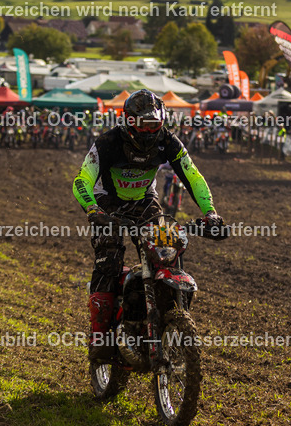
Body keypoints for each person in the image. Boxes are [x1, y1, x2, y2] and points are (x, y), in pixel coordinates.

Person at [73, 90, 223, 362]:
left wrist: (210, 213)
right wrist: (92, 208)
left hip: (144, 203)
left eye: (156, 124)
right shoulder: (108, 143)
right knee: (108, 260)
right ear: (130, 122)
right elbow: (82, 179)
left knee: (169, 249)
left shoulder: (167, 141)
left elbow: (193, 176)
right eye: (146, 125)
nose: (151, 130)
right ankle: (100, 336)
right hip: (107, 203)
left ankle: (167, 313)